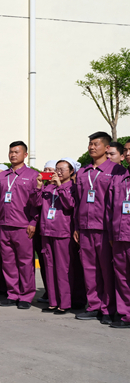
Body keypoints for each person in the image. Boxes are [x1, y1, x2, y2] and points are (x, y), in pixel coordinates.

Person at [73, 132, 123, 322]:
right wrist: (77, 226)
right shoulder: (83, 172)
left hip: (105, 228)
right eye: (90, 144)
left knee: (107, 270)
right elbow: (78, 202)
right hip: (85, 228)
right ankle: (93, 305)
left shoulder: (117, 171)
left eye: (96, 144)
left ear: (107, 147)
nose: (92, 147)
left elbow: (118, 201)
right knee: (89, 269)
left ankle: (108, 308)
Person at [0, 141, 40, 309]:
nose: (13, 155)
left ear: (25, 155)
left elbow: (37, 202)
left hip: (23, 226)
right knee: (8, 262)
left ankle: (26, 296)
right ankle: (13, 294)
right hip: (4, 225)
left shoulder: (33, 175)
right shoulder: (2, 176)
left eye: (16, 152)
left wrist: (33, 222)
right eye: (11, 152)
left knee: (25, 263)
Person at [35, 160, 75, 314]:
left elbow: (69, 205)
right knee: (49, 267)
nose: (58, 172)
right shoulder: (48, 188)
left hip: (62, 232)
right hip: (47, 231)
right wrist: (39, 187)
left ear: (71, 172)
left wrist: (60, 186)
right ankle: (53, 301)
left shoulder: (72, 187)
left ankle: (64, 303)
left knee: (62, 268)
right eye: (57, 169)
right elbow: (36, 203)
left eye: (62, 169)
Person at [106, 162, 130, 328]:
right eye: (127, 150)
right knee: (122, 277)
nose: (128, 154)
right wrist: (111, 232)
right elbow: (109, 208)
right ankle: (125, 314)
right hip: (119, 234)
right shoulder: (118, 179)